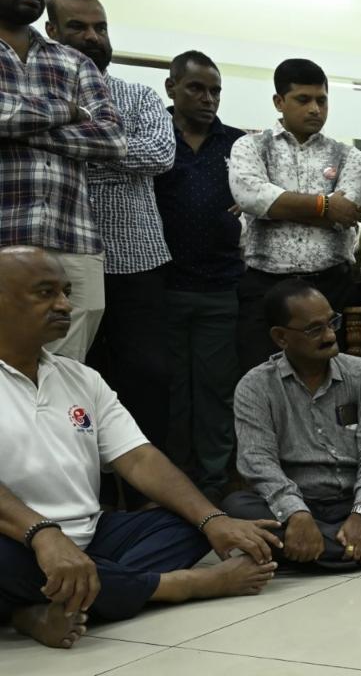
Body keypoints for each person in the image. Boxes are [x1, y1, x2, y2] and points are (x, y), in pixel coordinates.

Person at [0, 246, 281, 649]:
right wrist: (43, 534)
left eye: (66, 291)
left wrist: (213, 518)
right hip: (19, 542)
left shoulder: (80, 377)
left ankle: (33, 608)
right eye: (45, 293)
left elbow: (138, 457)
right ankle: (179, 586)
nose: (64, 304)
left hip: (89, 535)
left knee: (192, 521)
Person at [45, 0, 177, 509]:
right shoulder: (44, 92)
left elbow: (160, 154)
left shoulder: (138, 95)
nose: (93, 38)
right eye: (78, 27)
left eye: (100, 27)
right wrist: (104, 144)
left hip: (139, 260)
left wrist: (77, 143)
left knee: (146, 383)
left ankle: (151, 506)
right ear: (51, 32)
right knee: (70, 385)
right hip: (66, 256)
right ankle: (83, 501)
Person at [225, 280, 361, 571]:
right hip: (294, 502)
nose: (330, 335)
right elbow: (258, 463)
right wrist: (297, 514)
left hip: (354, 497)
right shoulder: (255, 386)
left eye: (332, 322)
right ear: (280, 337)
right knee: (237, 509)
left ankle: (313, 549)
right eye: (314, 329)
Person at [0, 0, 125, 361]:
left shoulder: (74, 61)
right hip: (4, 232)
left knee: (64, 376)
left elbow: (111, 138)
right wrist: (67, 110)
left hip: (74, 240)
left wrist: (22, 130)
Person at [228, 58, 361, 373]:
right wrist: (325, 206)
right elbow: (251, 196)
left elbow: (348, 211)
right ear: (279, 102)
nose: (315, 109)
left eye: (322, 100)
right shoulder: (251, 147)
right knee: (262, 379)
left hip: (330, 287)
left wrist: (276, 205)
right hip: (266, 288)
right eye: (303, 100)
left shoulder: (349, 155)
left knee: (331, 381)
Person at [154, 50, 246, 502]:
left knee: (215, 393)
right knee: (172, 394)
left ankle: (213, 489)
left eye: (214, 91)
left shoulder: (237, 144)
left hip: (221, 285)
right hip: (162, 286)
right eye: (196, 88)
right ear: (172, 88)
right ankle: (174, 490)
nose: (208, 98)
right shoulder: (154, 137)